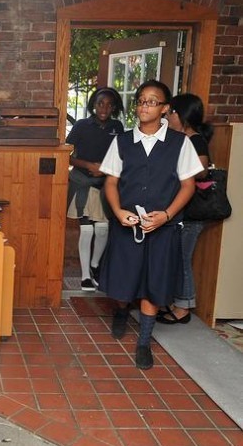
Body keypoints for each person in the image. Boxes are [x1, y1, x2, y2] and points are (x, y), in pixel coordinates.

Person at [97, 80, 203, 369]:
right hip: (127, 224)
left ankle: (144, 341)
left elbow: (188, 186)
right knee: (123, 279)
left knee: (152, 284)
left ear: (165, 108)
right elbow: (111, 182)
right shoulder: (122, 141)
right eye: (141, 100)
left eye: (152, 101)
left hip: (162, 227)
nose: (144, 106)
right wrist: (118, 211)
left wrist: (166, 215)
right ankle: (121, 311)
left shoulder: (180, 144)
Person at [157, 94, 212, 324]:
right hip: (182, 212)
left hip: (192, 212)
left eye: (170, 113)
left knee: (182, 259)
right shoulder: (180, 139)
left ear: (181, 115)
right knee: (177, 257)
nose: (167, 117)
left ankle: (183, 308)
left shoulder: (194, 140)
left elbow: (202, 170)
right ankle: (175, 302)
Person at [66, 87, 124, 291]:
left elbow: (121, 155)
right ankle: (85, 276)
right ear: (93, 105)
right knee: (87, 229)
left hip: (105, 184)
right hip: (82, 181)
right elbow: (66, 155)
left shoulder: (117, 127)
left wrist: (106, 170)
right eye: (100, 103)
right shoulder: (82, 125)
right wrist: (89, 166)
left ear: (114, 107)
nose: (104, 108)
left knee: (102, 229)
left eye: (109, 105)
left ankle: (94, 265)